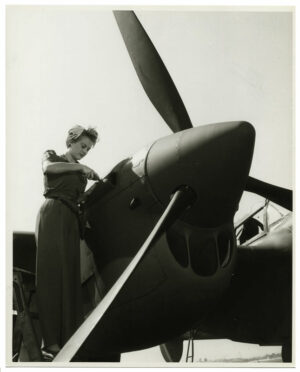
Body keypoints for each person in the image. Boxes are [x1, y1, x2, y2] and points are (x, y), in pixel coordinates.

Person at [35, 125, 99, 361]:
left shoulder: (81, 176)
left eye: (88, 149)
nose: (84, 151)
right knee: (51, 275)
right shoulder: (52, 155)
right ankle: (50, 342)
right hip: (52, 214)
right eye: (82, 146)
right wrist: (80, 167)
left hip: (72, 221)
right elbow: (48, 168)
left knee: (71, 278)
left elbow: (80, 200)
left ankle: (68, 340)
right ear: (71, 141)